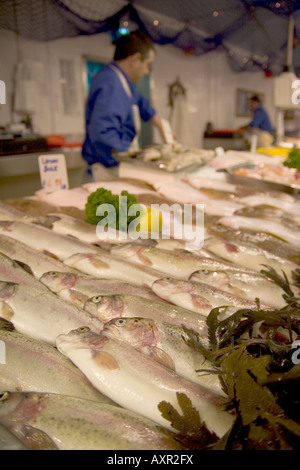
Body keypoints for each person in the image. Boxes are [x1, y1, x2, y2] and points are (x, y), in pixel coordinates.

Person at [82, 31, 168, 181]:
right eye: (147, 65)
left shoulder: (121, 82)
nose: (146, 71)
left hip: (113, 169)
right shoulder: (111, 84)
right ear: (135, 60)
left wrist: (159, 123)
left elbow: (140, 101)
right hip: (106, 172)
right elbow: (104, 136)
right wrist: (135, 161)